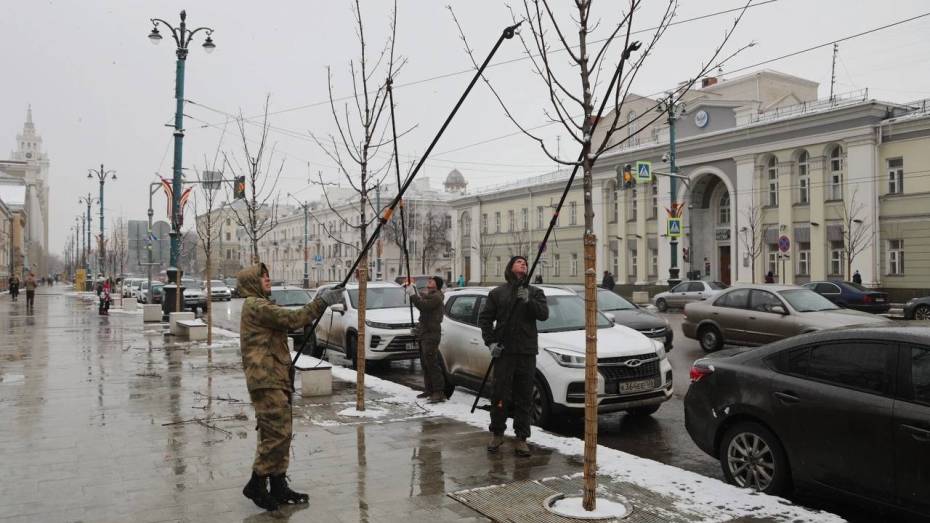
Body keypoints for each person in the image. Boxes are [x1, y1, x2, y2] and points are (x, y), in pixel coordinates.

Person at [237, 262, 344, 512]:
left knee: (282, 431)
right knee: (275, 433)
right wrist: (322, 302)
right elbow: (293, 319)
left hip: (276, 376)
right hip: (265, 379)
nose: (267, 278)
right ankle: (256, 482)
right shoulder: (255, 305)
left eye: (268, 275)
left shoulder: (262, 304)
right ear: (252, 282)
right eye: (262, 276)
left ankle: (278, 484)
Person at [478, 256, 549, 457]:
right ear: (510, 267)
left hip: (526, 352)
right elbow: (484, 319)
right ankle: (497, 433)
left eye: (525, 262)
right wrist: (490, 342)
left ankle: (521, 438)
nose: (523, 264)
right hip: (504, 352)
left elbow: (543, 314)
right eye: (518, 262)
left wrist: (528, 300)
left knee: (524, 396)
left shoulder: (535, 292)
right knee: (500, 394)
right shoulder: (497, 293)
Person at [405, 276, 446, 403]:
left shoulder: (436, 297)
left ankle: (439, 392)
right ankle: (429, 390)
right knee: (425, 364)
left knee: (432, 364)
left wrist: (412, 294)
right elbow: (425, 316)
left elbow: (423, 306)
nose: (429, 282)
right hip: (424, 333)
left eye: (432, 281)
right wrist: (417, 329)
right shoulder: (430, 296)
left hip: (431, 335)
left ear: (437, 285)